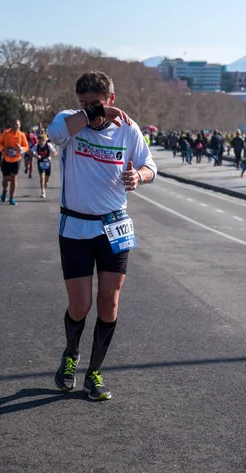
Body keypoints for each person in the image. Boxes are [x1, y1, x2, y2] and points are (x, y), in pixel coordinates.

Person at [47, 70, 157, 401]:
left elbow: (151, 166)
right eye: (83, 103)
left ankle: (94, 372)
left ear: (111, 99)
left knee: (109, 303)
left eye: (96, 103)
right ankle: (70, 356)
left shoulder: (128, 129)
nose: (89, 110)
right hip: (76, 227)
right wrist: (91, 113)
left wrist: (140, 175)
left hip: (114, 226)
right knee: (80, 305)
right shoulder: (70, 123)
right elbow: (55, 134)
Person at [0, 119, 29, 205]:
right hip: (6, 159)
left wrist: (21, 149)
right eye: (14, 124)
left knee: (14, 179)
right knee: (6, 179)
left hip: (16, 160)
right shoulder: (6, 133)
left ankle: (12, 198)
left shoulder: (22, 135)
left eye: (17, 124)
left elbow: (26, 147)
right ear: (11, 124)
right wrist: (4, 149)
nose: (15, 126)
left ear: (20, 125)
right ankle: (4, 191)